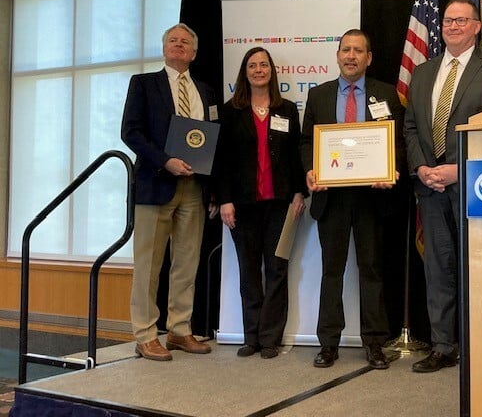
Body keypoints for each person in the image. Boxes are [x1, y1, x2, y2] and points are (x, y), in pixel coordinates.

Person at [404, 0, 482, 373]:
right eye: (448, 20)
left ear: (477, 26)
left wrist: (460, 169)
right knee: (438, 271)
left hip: (476, 187)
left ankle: (481, 347)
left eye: (461, 20)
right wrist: (422, 167)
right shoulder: (423, 72)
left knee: (480, 270)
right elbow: (411, 128)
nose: (452, 26)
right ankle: (443, 346)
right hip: (430, 188)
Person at [299, 28, 406, 370]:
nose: (351, 56)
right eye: (346, 50)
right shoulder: (319, 95)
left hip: (372, 197)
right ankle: (328, 343)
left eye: (358, 50)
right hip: (331, 198)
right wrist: (311, 170)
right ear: (337, 56)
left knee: (371, 270)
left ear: (368, 58)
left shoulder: (386, 94)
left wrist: (392, 169)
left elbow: (397, 141)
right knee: (331, 271)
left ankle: (374, 343)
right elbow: (306, 141)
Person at [121, 23, 217, 361]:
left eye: (185, 42)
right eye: (173, 40)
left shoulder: (205, 90)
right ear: (164, 49)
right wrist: (166, 161)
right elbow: (131, 132)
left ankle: (179, 329)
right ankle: (145, 334)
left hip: (194, 187)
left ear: (194, 52)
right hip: (155, 185)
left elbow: (210, 138)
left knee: (187, 263)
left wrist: (212, 185)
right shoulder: (144, 84)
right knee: (148, 265)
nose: (179, 45)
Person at [215, 47, 307, 359]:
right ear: (245, 72)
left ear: (271, 71)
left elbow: (295, 154)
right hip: (242, 205)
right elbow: (221, 161)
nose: (258, 70)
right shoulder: (230, 111)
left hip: (281, 203)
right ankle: (251, 337)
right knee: (249, 270)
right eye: (252, 65)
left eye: (263, 65)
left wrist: (299, 192)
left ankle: (270, 339)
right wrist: (224, 199)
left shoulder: (287, 109)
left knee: (277, 269)